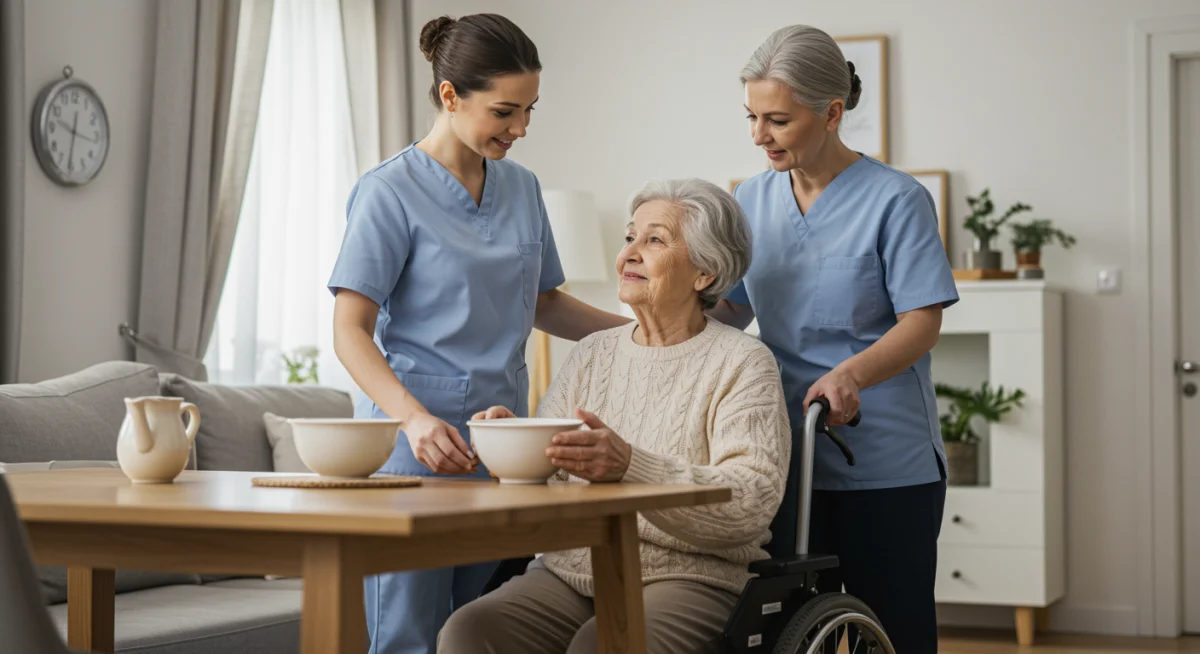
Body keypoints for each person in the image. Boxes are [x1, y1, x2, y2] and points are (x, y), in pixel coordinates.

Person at [327, 14, 626, 654]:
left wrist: (642, 335)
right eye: (505, 111)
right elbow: (349, 331)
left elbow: (545, 302)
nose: (520, 129)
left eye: (529, 111)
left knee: (473, 633)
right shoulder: (388, 193)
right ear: (449, 95)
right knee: (406, 638)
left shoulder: (522, 187)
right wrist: (412, 420)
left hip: (501, 449)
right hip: (414, 449)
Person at [437, 178, 792, 654]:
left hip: (689, 577)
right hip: (570, 571)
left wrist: (630, 467)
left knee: (604, 645)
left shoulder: (743, 362)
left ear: (705, 273)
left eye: (655, 240)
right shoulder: (591, 354)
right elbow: (551, 478)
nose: (629, 253)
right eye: (630, 237)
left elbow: (750, 505)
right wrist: (512, 446)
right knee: (470, 630)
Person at [710, 24, 960, 654]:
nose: (758, 135)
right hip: (782, 453)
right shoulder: (749, 201)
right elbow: (733, 312)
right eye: (751, 116)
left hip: (884, 461)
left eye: (777, 120)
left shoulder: (896, 200)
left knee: (891, 632)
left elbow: (922, 321)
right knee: (785, 633)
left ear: (831, 113)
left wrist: (851, 374)